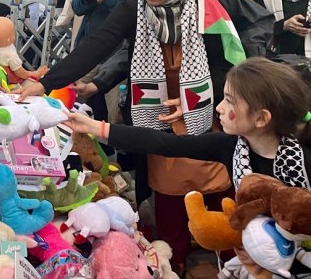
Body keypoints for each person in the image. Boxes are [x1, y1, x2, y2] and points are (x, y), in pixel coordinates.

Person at [20, 0, 274, 273]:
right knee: (167, 189)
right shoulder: (137, 5)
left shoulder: (212, 3)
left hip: (209, 108)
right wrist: (47, 81)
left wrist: (212, 92)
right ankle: (174, 263)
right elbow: (102, 42)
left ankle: (229, 264)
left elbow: (260, 26)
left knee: (218, 194)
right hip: (155, 109)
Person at [65, 57, 311, 275]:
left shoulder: (304, 161)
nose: (219, 108)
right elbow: (166, 143)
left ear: (261, 118)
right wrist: (96, 128)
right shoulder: (233, 147)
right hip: (258, 263)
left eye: (228, 101)